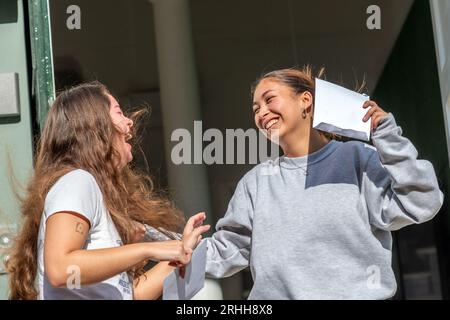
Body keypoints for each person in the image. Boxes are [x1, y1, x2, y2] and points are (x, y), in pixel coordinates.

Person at [197, 66, 444, 299]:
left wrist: (387, 135)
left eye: (269, 99)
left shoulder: (357, 159)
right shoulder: (255, 183)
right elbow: (224, 252)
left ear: (305, 100)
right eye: (255, 109)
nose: (261, 112)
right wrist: (171, 246)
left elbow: (421, 202)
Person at [6, 82, 210, 300]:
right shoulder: (78, 182)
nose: (129, 122)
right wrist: (148, 249)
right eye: (119, 112)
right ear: (95, 126)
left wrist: (181, 251)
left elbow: (132, 295)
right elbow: (60, 268)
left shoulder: (92, 192)